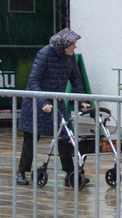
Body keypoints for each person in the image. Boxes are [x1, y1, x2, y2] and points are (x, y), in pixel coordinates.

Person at [16, 28, 84, 187]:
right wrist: (43, 103)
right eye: (72, 44)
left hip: (57, 102)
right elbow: (33, 82)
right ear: (63, 45)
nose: (75, 47)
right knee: (31, 138)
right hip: (36, 104)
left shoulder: (69, 56)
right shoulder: (45, 54)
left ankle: (70, 174)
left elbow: (76, 79)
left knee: (64, 137)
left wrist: (81, 100)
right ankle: (21, 172)